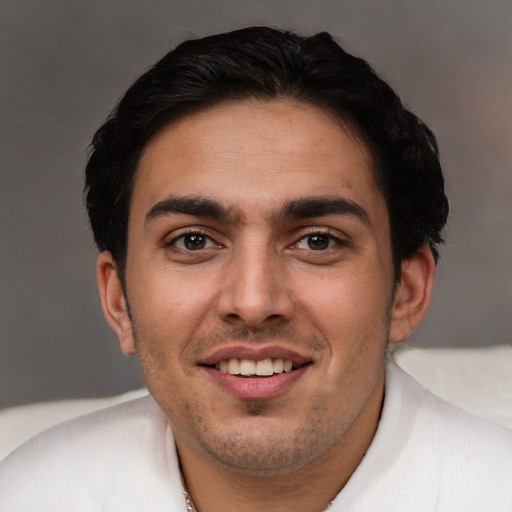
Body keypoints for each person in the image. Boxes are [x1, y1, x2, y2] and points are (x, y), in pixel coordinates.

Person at [0, 26, 510, 512]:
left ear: (406, 291)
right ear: (119, 302)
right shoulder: (28, 494)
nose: (253, 301)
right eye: (193, 241)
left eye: (317, 241)